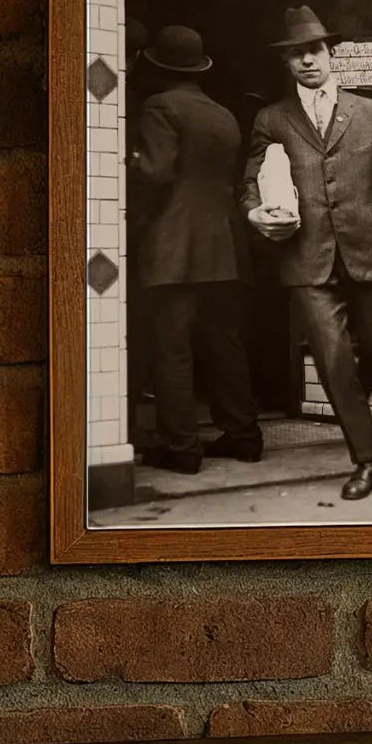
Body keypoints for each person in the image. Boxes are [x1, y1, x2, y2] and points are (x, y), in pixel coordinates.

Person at [240, 6, 372, 503]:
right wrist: (255, 214)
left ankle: (352, 407)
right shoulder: (272, 119)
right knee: (333, 361)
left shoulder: (370, 112)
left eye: (313, 50)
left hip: (369, 252)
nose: (306, 60)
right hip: (306, 260)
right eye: (295, 54)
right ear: (287, 64)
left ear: (330, 53)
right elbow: (250, 184)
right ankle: (367, 460)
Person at [128, 25, 260, 475]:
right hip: (224, 244)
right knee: (224, 343)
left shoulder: (158, 106)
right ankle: (243, 435)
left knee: (172, 347)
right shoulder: (223, 114)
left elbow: (157, 172)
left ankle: (181, 446)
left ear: (157, 65)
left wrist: (129, 178)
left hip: (173, 247)